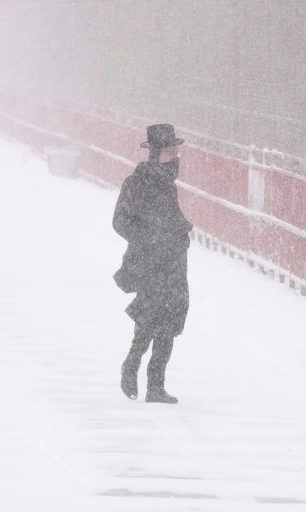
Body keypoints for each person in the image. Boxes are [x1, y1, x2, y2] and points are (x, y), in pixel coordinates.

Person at [112, 124, 193, 404]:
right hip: (149, 264)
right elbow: (120, 222)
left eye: (176, 152)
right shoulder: (137, 183)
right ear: (156, 154)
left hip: (172, 264)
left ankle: (156, 385)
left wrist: (178, 238)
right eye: (170, 153)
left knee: (169, 323)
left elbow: (172, 221)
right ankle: (131, 367)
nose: (175, 158)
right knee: (149, 320)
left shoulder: (169, 187)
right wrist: (148, 240)